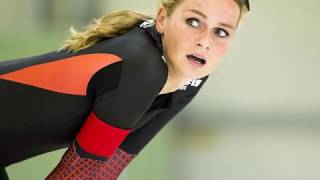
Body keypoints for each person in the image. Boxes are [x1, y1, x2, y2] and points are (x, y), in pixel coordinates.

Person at [0, 0, 250, 179]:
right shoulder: (142, 69)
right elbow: (77, 174)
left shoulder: (191, 76)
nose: (205, 41)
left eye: (221, 32)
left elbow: (109, 167)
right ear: (162, 18)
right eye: (193, 21)